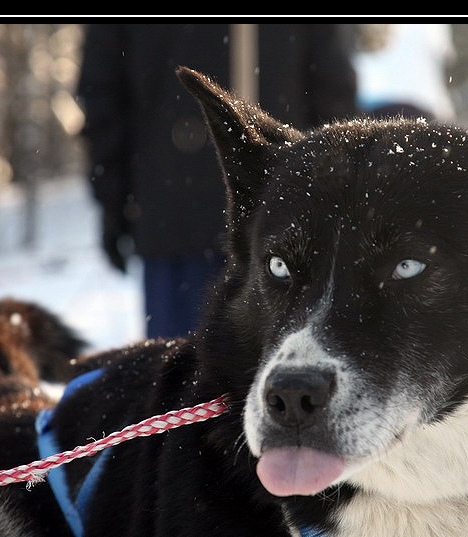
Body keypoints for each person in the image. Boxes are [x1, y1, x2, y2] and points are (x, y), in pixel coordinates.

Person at [77, 23, 358, 339]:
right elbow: (333, 94)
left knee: (186, 370)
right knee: (270, 366)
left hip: (182, 215)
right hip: (277, 217)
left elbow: (102, 96)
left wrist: (113, 201)